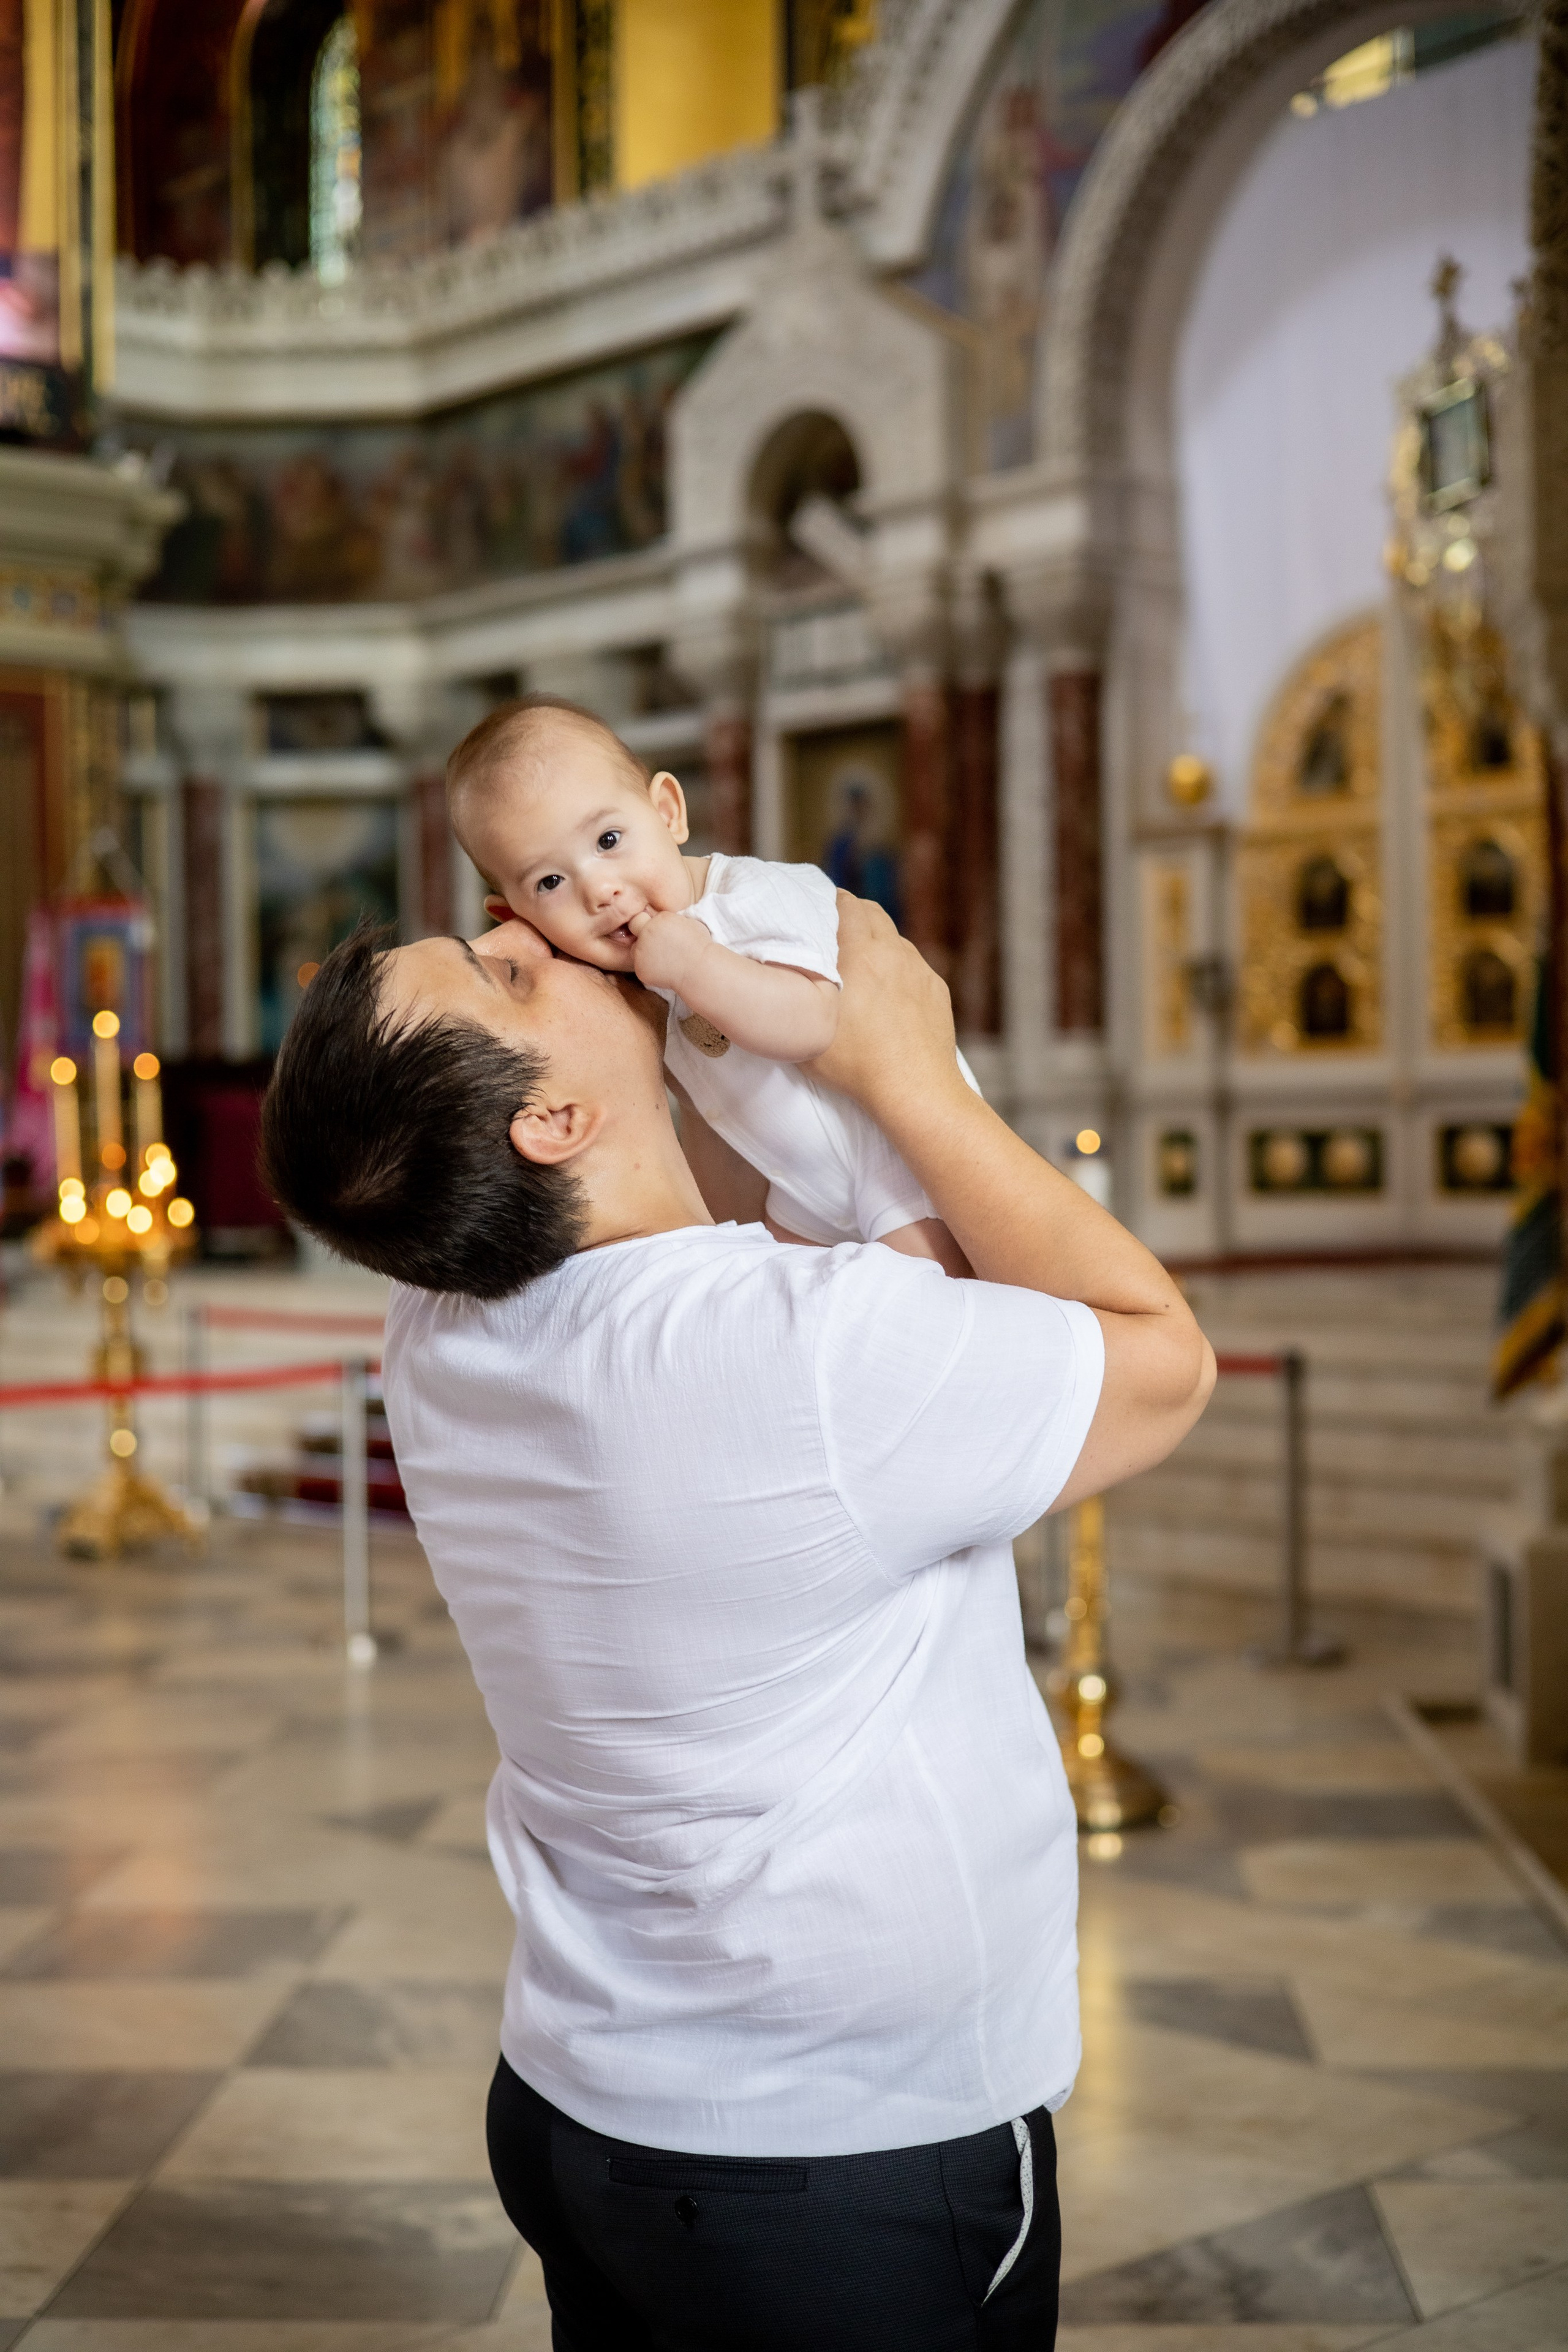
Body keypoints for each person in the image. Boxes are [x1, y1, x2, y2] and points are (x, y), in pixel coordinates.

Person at [259, 895, 1214, 2350]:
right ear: (551, 1123)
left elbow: (712, 1227)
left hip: (585, 2104)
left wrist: (689, 1007)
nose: (544, 931)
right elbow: (1162, 1363)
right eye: (513, 971)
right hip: (840, 2162)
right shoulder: (805, 1356)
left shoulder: (441, 1330)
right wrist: (901, 1068)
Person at [447, 693, 973, 1275]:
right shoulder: (622, 981)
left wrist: (697, 967)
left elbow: (815, 1023)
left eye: (609, 841)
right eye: (550, 881)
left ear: (668, 812)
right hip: (798, 1193)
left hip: (888, 1160)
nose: (600, 890)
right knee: (767, 1302)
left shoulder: (753, 898)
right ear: (514, 916)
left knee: (918, 1296)